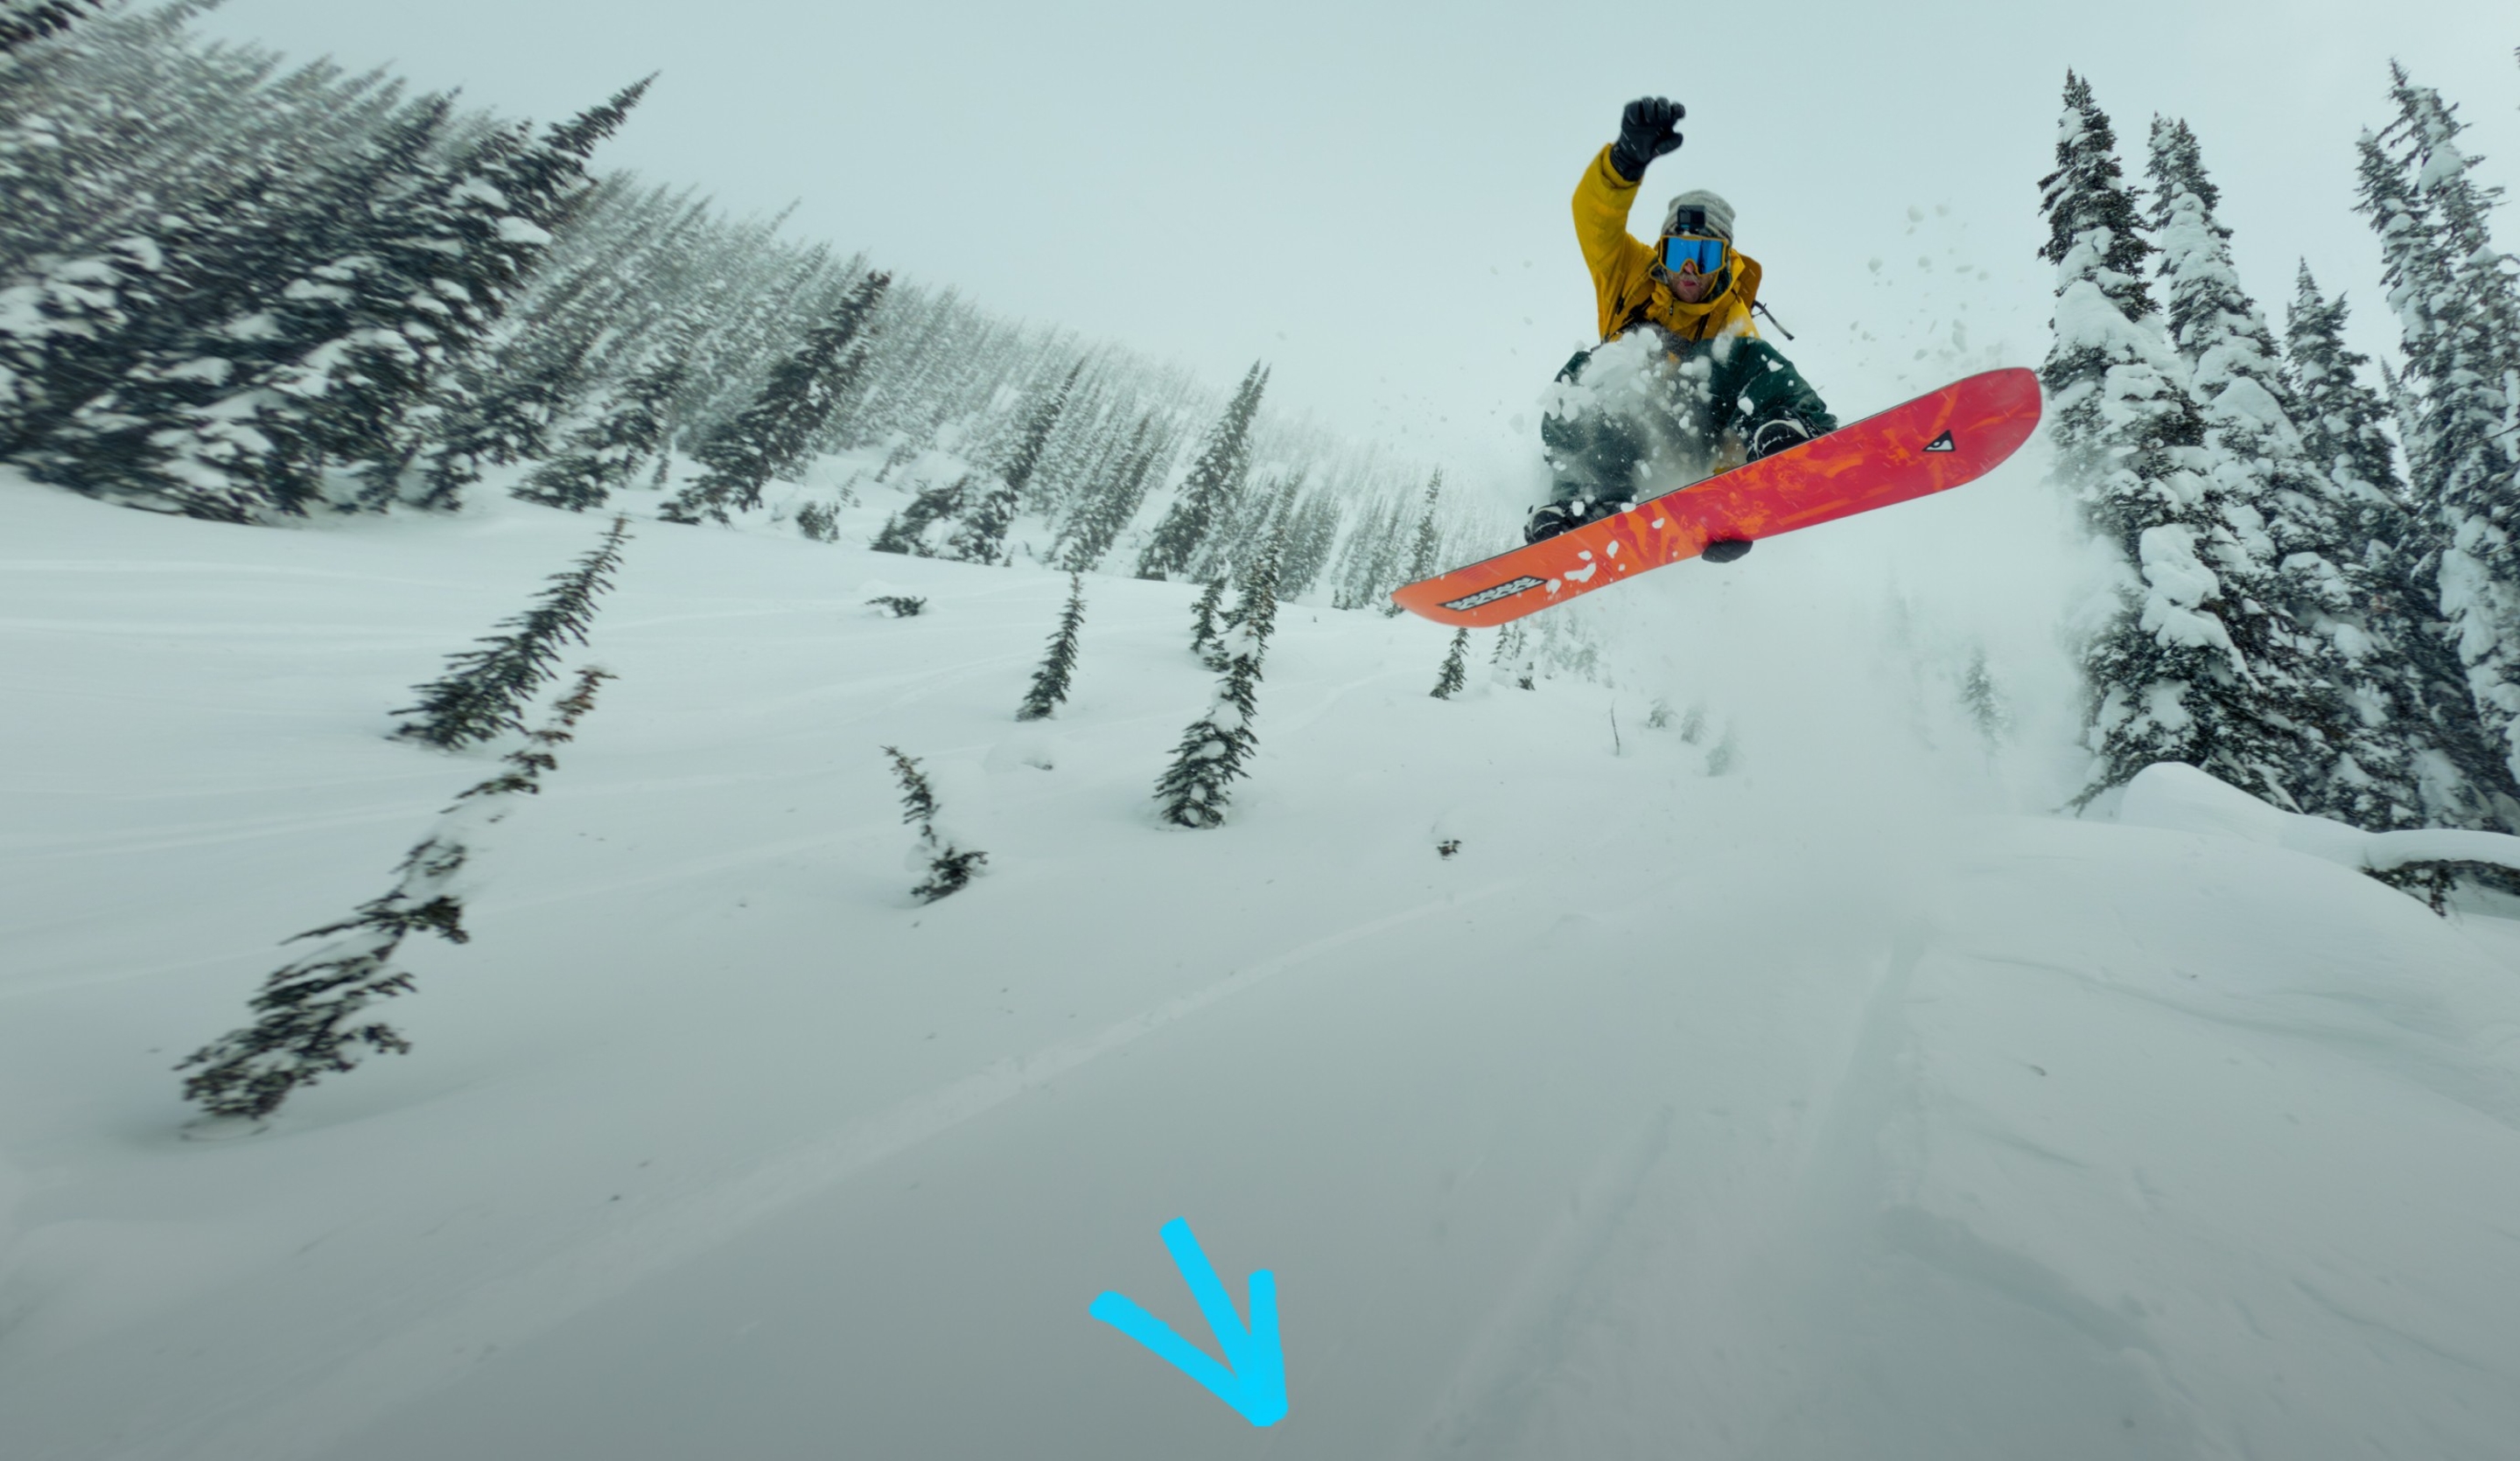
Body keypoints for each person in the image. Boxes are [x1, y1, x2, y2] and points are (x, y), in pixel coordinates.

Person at [1526, 96, 1838, 550]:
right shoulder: (1628, 274)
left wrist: (1728, 505)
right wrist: (1625, 161)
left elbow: (1734, 415)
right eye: (1678, 253)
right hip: (1627, 439)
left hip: (1700, 439)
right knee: (1590, 371)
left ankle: (1791, 428)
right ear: (1662, 250)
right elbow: (1595, 223)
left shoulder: (1732, 323)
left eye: (1705, 255)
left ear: (1724, 261)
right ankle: (1585, 499)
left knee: (1744, 358)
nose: (1688, 269)